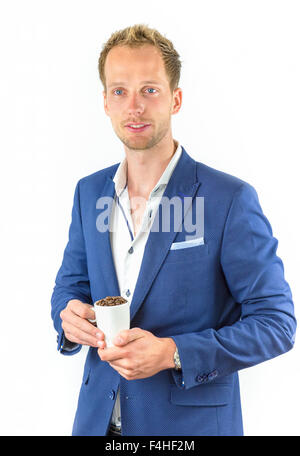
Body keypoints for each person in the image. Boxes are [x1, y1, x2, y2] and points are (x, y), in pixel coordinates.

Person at [51, 24, 296, 436]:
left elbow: (277, 323)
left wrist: (172, 353)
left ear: (175, 99)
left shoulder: (227, 199)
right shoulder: (90, 193)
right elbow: (70, 286)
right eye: (119, 91)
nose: (134, 107)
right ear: (106, 103)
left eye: (149, 90)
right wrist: (68, 318)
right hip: (96, 423)